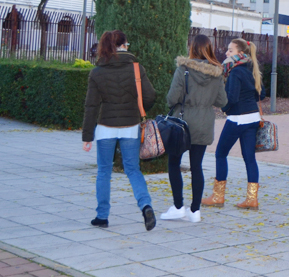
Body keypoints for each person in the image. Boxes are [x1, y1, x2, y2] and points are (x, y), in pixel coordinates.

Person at [82, 30, 157, 231]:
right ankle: (146, 206)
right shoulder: (136, 68)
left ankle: (102, 216)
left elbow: (91, 106)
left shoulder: (97, 72)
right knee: (133, 170)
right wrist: (137, 109)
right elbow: (150, 96)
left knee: (104, 171)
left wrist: (87, 136)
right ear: (123, 45)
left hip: (105, 127)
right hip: (131, 127)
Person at [159, 35, 228, 223]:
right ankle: (195, 211)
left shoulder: (184, 69)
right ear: (209, 49)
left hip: (182, 123)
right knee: (197, 166)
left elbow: (172, 99)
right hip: (204, 123)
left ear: (192, 48)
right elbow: (222, 101)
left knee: (174, 162)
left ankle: (178, 207)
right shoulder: (216, 73)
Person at [202, 38, 265, 210]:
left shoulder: (235, 72)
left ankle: (217, 196)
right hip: (253, 119)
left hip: (237, 118)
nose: (226, 53)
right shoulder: (253, 68)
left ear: (240, 53)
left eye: (230, 50)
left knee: (221, 154)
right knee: (249, 158)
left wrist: (225, 108)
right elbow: (263, 93)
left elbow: (232, 98)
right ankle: (252, 199)